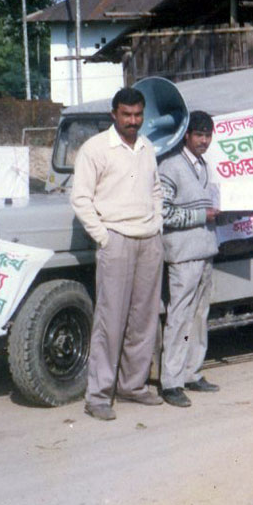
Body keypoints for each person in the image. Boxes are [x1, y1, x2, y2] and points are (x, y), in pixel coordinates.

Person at [71, 87, 166, 420]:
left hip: (148, 240)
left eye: (138, 115)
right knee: (110, 321)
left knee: (143, 320)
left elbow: (156, 190)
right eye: (126, 115)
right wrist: (104, 237)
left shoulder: (146, 147)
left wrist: (157, 223)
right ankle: (98, 396)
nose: (133, 121)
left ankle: (132, 386)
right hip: (116, 240)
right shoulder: (96, 148)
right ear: (114, 114)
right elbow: (80, 198)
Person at [158, 111, 221, 408]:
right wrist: (201, 216)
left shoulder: (203, 165)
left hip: (205, 251)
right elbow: (163, 213)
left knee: (199, 316)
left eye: (208, 135)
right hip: (183, 255)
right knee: (179, 316)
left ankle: (191, 372)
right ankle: (171, 382)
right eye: (199, 135)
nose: (204, 141)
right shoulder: (170, 166)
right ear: (187, 135)